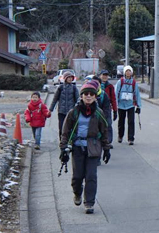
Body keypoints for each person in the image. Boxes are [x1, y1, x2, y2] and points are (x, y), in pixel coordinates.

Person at [59, 81, 112, 214]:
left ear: (95, 97)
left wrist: (106, 148)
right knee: (77, 177)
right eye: (86, 94)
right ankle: (77, 193)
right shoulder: (74, 112)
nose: (88, 96)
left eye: (91, 94)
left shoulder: (98, 113)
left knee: (91, 176)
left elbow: (104, 131)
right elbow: (65, 131)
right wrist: (63, 148)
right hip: (77, 148)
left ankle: (89, 202)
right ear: (81, 96)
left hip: (93, 148)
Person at [115, 65, 141, 145]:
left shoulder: (134, 82)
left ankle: (131, 138)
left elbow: (137, 94)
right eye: (127, 71)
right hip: (121, 105)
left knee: (131, 122)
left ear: (132, 72)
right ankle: (120, 135)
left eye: (129, 71)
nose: (128, 72)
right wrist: (115, 104)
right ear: (124, 72)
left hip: (131, 104)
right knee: (121, 121)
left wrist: (139, 106)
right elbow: (116, 93)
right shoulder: (120, 81)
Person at [49, 71, 79, 139]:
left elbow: (78, 99)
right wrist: (50, 109)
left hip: (71, 111)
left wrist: (77, 109)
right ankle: (62, 141)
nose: (70, 79)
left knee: (70, 127)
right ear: (65, 78)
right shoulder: (60, 87)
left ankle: (69, 142)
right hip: (61, 111)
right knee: (61, 127)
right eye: (68, 78)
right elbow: (55, 99)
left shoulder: (74, 88)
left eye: (71, 78)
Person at [99, 70, 118, 142]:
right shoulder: (97, 85)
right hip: (98, 107)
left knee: (108, 124)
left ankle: (108, 141)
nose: (105, 77)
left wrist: (115, 110)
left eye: (106, 75)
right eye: (103, 75)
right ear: (100, 75)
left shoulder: (110, 86)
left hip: (107, 108)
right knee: (98, 124)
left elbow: (113, 98)